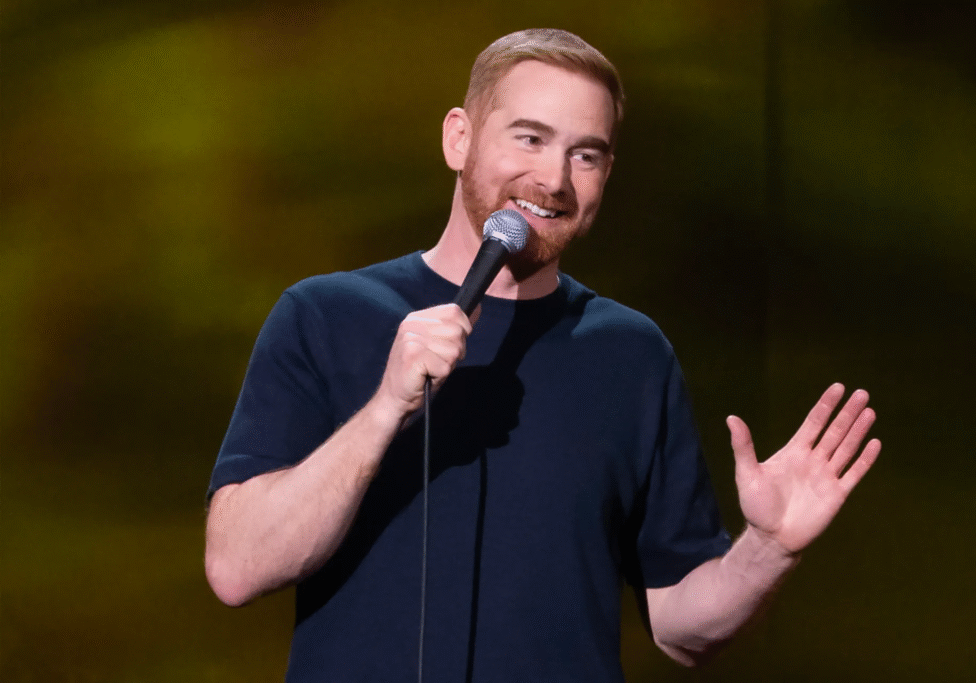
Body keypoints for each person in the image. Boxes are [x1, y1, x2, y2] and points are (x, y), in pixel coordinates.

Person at [204, 28, 880, 682]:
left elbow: (681, 626)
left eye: (586, 155)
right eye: (529, 138)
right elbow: (235, 568)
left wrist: (768, 547)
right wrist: (385, 409)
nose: (553, 178)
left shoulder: (630, 352)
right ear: (458, 139)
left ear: (606, 174)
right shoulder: (326, 315)